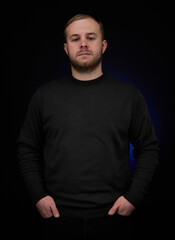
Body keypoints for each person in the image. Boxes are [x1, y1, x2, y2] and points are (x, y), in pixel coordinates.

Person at [17, 14, 159, 239]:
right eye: (75, 39)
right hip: (57, 219)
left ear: (103, 45)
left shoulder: (129, 95)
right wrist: (38, 196)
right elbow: (27, 147)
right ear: (66, 48)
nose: (83, 43)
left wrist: (134, 197)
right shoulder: (44, 96)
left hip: (114, 218)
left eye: (90, 37)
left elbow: (148, 149)